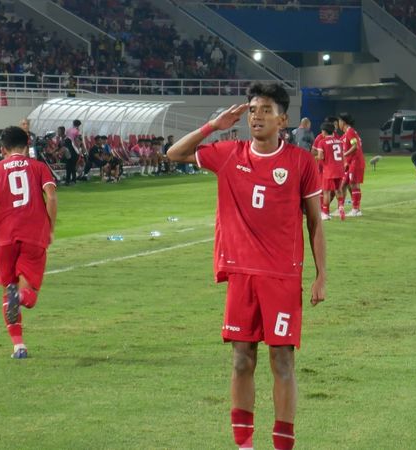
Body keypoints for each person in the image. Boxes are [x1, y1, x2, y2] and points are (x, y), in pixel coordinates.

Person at [166, 82, 326, 450]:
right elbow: (175, 153)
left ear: (283, 119)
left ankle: (283, 444)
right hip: (242, 273)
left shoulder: (300, 162)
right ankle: (244, 445)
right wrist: (213, 126)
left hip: (283, 276)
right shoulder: (229, 153)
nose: (257, 115)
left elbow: (315, 222)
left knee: (282, 361)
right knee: (241, 360)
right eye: (253, 109)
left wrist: (320, 275)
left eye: (266, 109)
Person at [0, 126, 58, 359]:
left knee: (7, 289)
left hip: (3, 237)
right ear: (27, 146)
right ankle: (18, 298)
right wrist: (50, 227)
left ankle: (18, 346)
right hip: (33, 235)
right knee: (26, 293)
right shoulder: (39, 167)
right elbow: (51, 196)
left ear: (2, 149)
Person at [313, 121, 345, 221]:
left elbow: (321, 157)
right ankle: (341, 207)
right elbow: (343, 156)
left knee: (326, 192)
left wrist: (315, 158)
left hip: (329, 170)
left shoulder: (322, 142)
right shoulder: (339, 141)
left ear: (324, 131)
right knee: (338, 189)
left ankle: (326, 213)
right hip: (340, 169)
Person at [338, 112, 365, 217]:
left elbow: (355, 146)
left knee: (354, 185)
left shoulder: (350, 132)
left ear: (343, 122)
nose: (339, 123)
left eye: (339, 121)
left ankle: (356, 209)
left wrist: (344, 154)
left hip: (356, 162)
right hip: (350, 163)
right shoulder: (347, 133)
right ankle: (341, 208)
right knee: (344, 184)